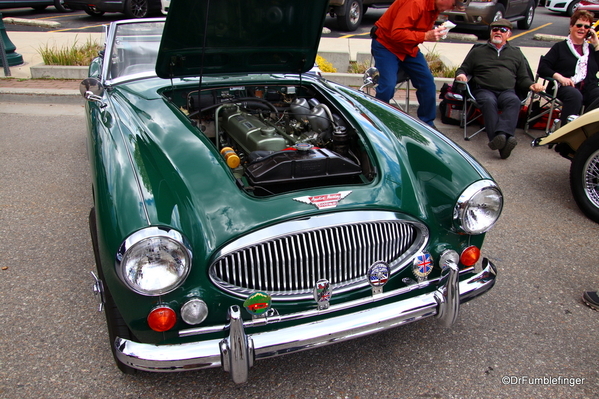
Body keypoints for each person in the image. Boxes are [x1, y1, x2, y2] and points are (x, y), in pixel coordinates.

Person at [455, 19, 544, 159]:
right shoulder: (478, 51)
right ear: (490, 32)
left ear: (508, 34)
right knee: (489, 102)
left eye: (502, 30)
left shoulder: (516, 53)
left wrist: (531, 85)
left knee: (514, 101)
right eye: (495, 29)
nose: (498, 32)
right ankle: (502, 140)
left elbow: (522, 77)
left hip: (507, 91)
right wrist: (461, 75)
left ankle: (501, 139)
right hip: (484, 89)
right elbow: (463, 68)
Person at [370, 0, 458, 128]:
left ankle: (427, 124)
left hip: (409, 48)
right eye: (453, 4)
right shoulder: (415, 3)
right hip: (387, 45)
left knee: (427, 83)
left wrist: (433, 33)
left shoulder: (434, 8)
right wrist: (426, 36)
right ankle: (377, 122)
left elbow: (417, 31)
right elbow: (397, 33)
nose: (452, 8)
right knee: (387, 86)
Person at [537, 10, 599, 126]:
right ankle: (566, 132)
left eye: (586, 27)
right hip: (564, 86)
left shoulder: (591, 49)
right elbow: (543, 67)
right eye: (579, 25)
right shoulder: (560, 47)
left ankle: (589, 130)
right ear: (571, 26)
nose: (582, 29)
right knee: (575, 96)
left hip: (589, 87)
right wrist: (560, 77)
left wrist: (596, 45)